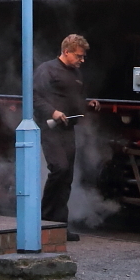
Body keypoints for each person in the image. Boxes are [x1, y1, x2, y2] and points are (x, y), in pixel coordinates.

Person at [32, 33, 98, 240]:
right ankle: (42, 222)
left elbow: (77, 98)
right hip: (51, 128)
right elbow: (34, 96)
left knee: (67, 176)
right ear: (66, 52)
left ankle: (58, 227)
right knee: (59, 169)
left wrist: (88, 105)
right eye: (79, 56)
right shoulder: (47, 70)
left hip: (69, 128)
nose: (82, 60)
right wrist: (53, 112)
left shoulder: (76, 74)